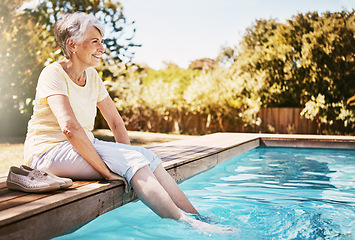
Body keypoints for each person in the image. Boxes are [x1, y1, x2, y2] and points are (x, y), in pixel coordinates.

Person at [24, 12, 202, 224]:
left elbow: (116, 122)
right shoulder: (53, 73)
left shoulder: (92, 76)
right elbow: (70, 127)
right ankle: (190, 226)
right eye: (95, 41)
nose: (102, 48)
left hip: (80, 146)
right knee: (132, 162)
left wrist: (127, 155)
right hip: (46, 153)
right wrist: (110, 172)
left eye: (102, 41)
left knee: (147, 156)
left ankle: (198, 217)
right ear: (72, 44)